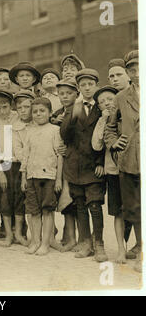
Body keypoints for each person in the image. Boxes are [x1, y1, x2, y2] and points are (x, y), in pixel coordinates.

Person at [60, 68, 107, 262]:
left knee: (94, 205)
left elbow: (106, 137)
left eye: (90, 84)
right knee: (79, 205)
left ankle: (99, 244)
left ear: (95, 86)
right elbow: (65, 135)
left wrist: (101, 162)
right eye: (83, 85)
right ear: (78, 88)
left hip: (93, 165)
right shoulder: (73, 108)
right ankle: (86, 242)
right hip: (75, 165)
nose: (87, 88)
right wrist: (72, 116)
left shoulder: (102, 107)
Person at [105, 50, 141, 273]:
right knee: (135, 209)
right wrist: (115, 143)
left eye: (139, 68)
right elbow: (109, 128)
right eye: (132, 69)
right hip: (129, 162)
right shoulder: (120, 97)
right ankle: (141, 256)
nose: (136, 73)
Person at [21, 97, 63, 255]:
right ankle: (35, 241)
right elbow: (26, 155)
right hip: (32, 176)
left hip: (49, 176)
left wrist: (58, 179)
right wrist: (23, 177)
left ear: (50, 112)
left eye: (42, 111)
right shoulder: (30, 131)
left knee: (47, 210)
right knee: (34, 211)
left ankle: (46, 242)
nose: (38, 114)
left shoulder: (55, 130)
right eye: (35, 111)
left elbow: (59, 155)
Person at [91, 85, 126, 263]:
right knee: (117, 211)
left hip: (133, 169)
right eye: (102, 102)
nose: (107, 103)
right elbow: (96, 145)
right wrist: (103, 120)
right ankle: (121, 249)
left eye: (110, 99)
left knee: (135, 211)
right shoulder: (102, 120)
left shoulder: (127, 115)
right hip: (113, 170)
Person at [52, 79, 80, 252]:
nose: (65, 96)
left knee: (76, 201)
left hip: (77, 160)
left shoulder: (80, 111)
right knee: (66, 201)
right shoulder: (58, 113)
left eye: (69, 93)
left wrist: (68, 147)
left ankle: (76, 238)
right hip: (63, 163)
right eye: (62, 93)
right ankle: (69, 236)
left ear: (76, 94)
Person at [0, 90, 21, 247]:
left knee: (20, 198)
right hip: (4, 162)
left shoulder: (18, 117)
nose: (2, 111)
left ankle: (19, 233)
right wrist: (0, 172)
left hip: (19, 163)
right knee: (5, 198)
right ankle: (8, 234)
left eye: (5, 106)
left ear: (11, 105)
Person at [12, 90, 36, 244]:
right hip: (20, 167)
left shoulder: (38, 124)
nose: (23, 110)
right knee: (20, 200)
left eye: (27, 107)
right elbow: (18, 150)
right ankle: (19, 233)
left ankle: (39, 232)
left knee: (36, 200)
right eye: (20, 108)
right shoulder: (15, 128)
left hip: (39, 167)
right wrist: (28, 160)